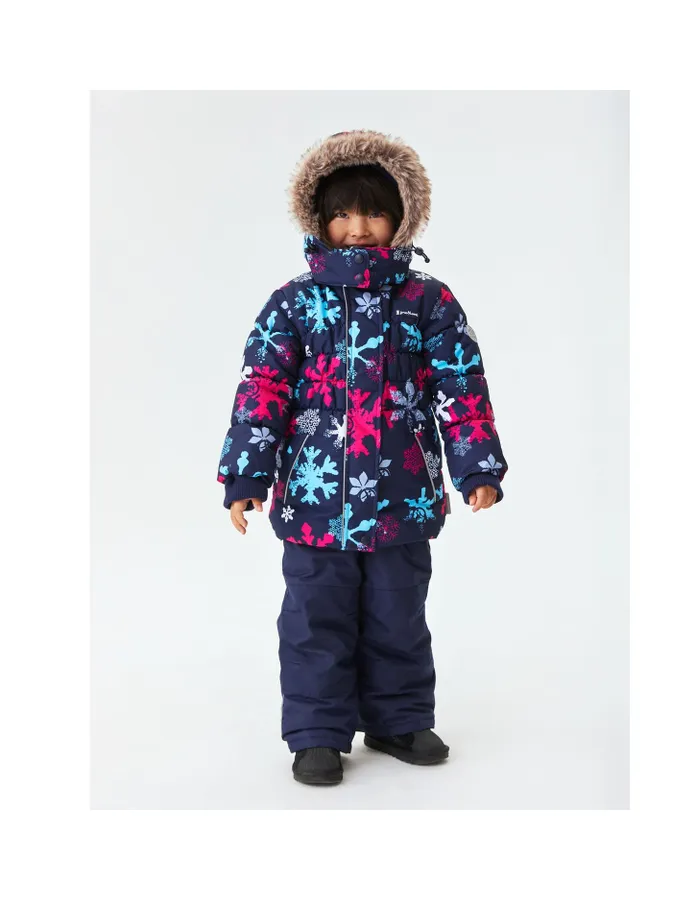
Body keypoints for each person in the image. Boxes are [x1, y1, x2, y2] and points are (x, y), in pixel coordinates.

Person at [217, 130, 508, 786]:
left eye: (374, 212)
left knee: (397, 614)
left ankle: (398, 718)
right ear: (318, 219)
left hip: (403, 497)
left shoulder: (428, 301)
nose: (357, 227)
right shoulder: (294, 303)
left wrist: (476, 467)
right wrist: (246, 474)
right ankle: (317, 732)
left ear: (401, 217)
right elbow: (262, 389)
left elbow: (461, 383)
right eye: (342, 213)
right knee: (315, 619)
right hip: (314, 502)